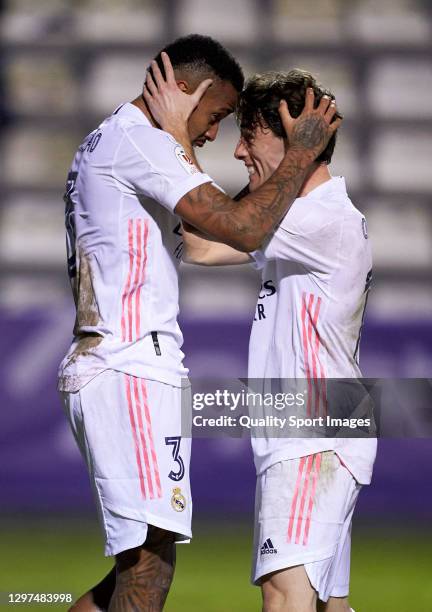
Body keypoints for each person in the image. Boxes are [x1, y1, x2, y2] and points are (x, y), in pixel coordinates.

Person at [59, 34, 340, 612]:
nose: (216, 134)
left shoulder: (116, 139)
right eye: (214, 115)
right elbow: (240, 230)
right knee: (149, 567)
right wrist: (298, 154)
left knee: (137, 566)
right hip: (130, 361)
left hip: (123, 360)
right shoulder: (139, 142)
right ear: (184, 91)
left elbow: (201, 241)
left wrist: (178, 138)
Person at [146, 67, 375, 611]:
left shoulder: (318, 219)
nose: (240, 152)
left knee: (283, 597)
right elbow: (200, 248)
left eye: (249, 136)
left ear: (296, 138)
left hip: (309, 435)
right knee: (326, 605)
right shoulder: (300, 220)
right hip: (318, 431)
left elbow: (220, 225)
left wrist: (178, 134)